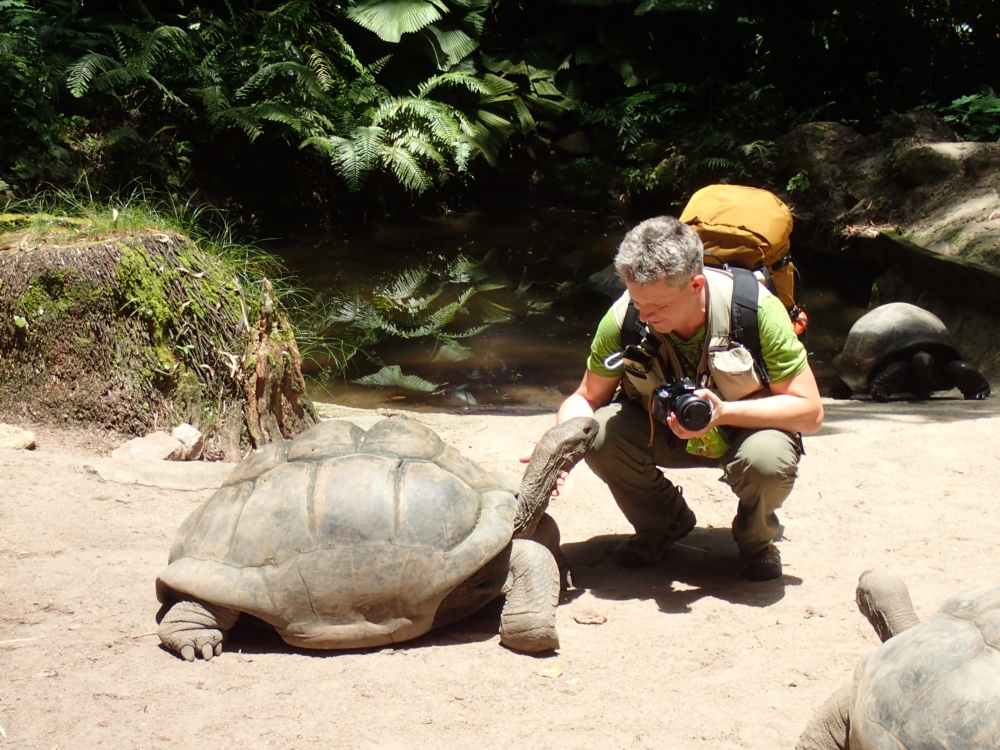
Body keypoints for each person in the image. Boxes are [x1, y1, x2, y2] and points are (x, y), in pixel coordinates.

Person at [539, 215, 823, 581]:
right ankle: (663, 525)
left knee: (768, 461)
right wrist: (561, 446)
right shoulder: (626, 315)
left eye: (657, 306)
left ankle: (757, 541)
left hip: (742, 433)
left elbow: (810, 412)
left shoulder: (756, 310)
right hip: (663, 431)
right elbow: (587, 397)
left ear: (696, 284)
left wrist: (723, 413)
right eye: (637, 302)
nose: (644, 315)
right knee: (598, 435)